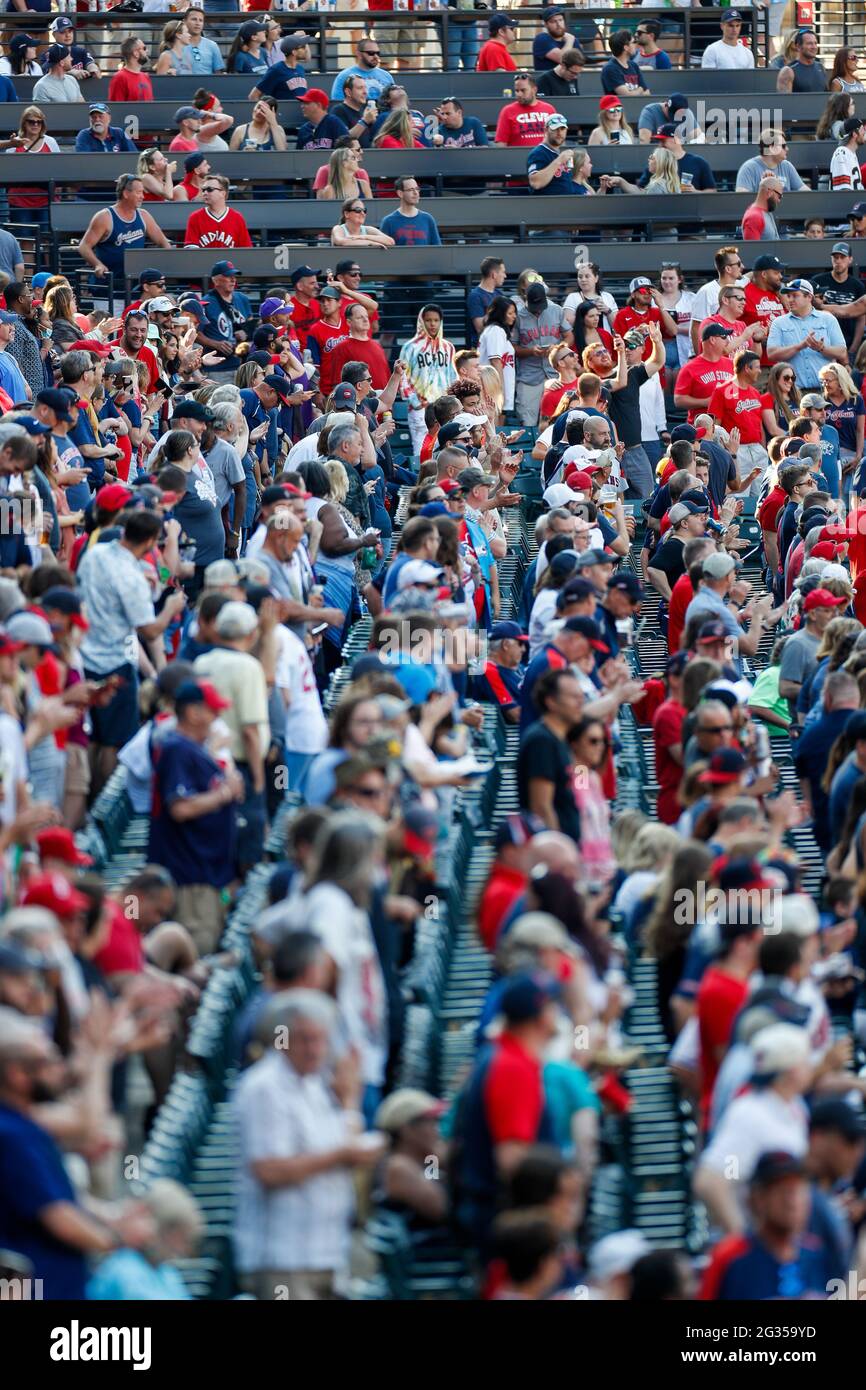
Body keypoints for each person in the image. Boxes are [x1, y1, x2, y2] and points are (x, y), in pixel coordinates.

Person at [233, 988, 382, 1301]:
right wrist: (341, 1155)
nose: (315, 1049)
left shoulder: (315, 1084)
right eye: (305, 1039)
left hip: (326, 1252)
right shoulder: (264, 1088)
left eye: (320, 1039)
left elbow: (346, 1145)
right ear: (282, 1037)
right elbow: (268, 1169)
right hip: (283, 1259)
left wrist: (351, 1101)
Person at [148, 679, 242, 950]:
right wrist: (224, 793)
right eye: (212, 710)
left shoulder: (191, 748)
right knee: (198, 952)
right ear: (192, 713)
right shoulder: (177, 749)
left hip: (207, 875)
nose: (217, 717)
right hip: (191, 878)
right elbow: (181, 808)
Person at [77, 176, 171, 284]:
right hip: (108, 288)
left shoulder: (144, 215)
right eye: (139, 192)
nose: (143, 197)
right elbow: (84, 247)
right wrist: (97, 264)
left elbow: (163, 242)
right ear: (126, 194)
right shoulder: (104, 217)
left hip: (136, 288)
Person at [766, 279, 848, 392]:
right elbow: (771, 354)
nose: (790, 300)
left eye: (795, 295)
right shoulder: (778, 322)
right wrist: (800, 346)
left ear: (809, 297)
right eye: (788, 296)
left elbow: (842, 352)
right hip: (792, 392)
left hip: (825, 391)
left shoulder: (828, 319)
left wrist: (821, 348)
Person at [184, 176, 252, 250]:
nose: (205, 193)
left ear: (223, 193)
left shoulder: (237, 217)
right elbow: (191, 249)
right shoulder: (195, 217)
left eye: (209, 189)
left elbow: (245, 249)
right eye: (203, 190)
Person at [494, 72, 555, 149]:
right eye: (516, 90)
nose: (519, 94)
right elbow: (501, 143)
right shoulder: (507, 111)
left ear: (534, 90)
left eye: (523, 90)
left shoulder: (549, 109)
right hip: (518, 158)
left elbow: (556, 139)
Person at [379, 178, 441, 249]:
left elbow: (437, 249)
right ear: (400, 193)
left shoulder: (428, 219)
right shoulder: (388, 221)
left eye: (417, 189)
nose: (416, 193)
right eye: (411, 190)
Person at [330, 38, 395, 104]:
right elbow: (337, 104)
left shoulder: (386, 76)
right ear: (359, 54)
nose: (376, 56)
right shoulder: (344, 76)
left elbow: (393, 103)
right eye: (371, 53)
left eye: (378, 53)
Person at [330, 198, 395, 250]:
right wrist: (370, 243)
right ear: (346, 214)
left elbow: (390, 242)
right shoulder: (338, 228)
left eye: (364, 210)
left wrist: (363, 237)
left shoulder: (368, 229)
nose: (363, 213)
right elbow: (341, 241)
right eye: (358, 210)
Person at [777, 28, 829, 93]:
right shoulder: (788, 71)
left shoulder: (820, 67)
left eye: (815, 43)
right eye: (809, 43)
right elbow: (784, 100)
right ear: (798, 46)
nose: (814, 47)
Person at [600, 29, 650, 97]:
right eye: (633, 42)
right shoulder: (610, 68)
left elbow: (647, 93)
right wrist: (640, 89)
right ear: (626, 47)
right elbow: (627, 96)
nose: (636, 45)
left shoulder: (634, 65)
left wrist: (638, 91)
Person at [108, 37, 153, 104]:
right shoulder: (120, 78)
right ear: (136, 53)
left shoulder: (146, 76)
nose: (147, 51)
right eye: (144, 48)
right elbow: (116, 108)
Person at [742, 175, 783, 242]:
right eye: (779, 196)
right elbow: (752, 250)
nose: (779, 200)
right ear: (769, 192)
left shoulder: (766, 211)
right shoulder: (754, 217)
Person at [830, 116, 866, 191]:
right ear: (854, 134)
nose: (864, 132)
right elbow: (843, 191)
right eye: (862, 129)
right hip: (847, 202)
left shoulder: (851, 154)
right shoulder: (841, 153)